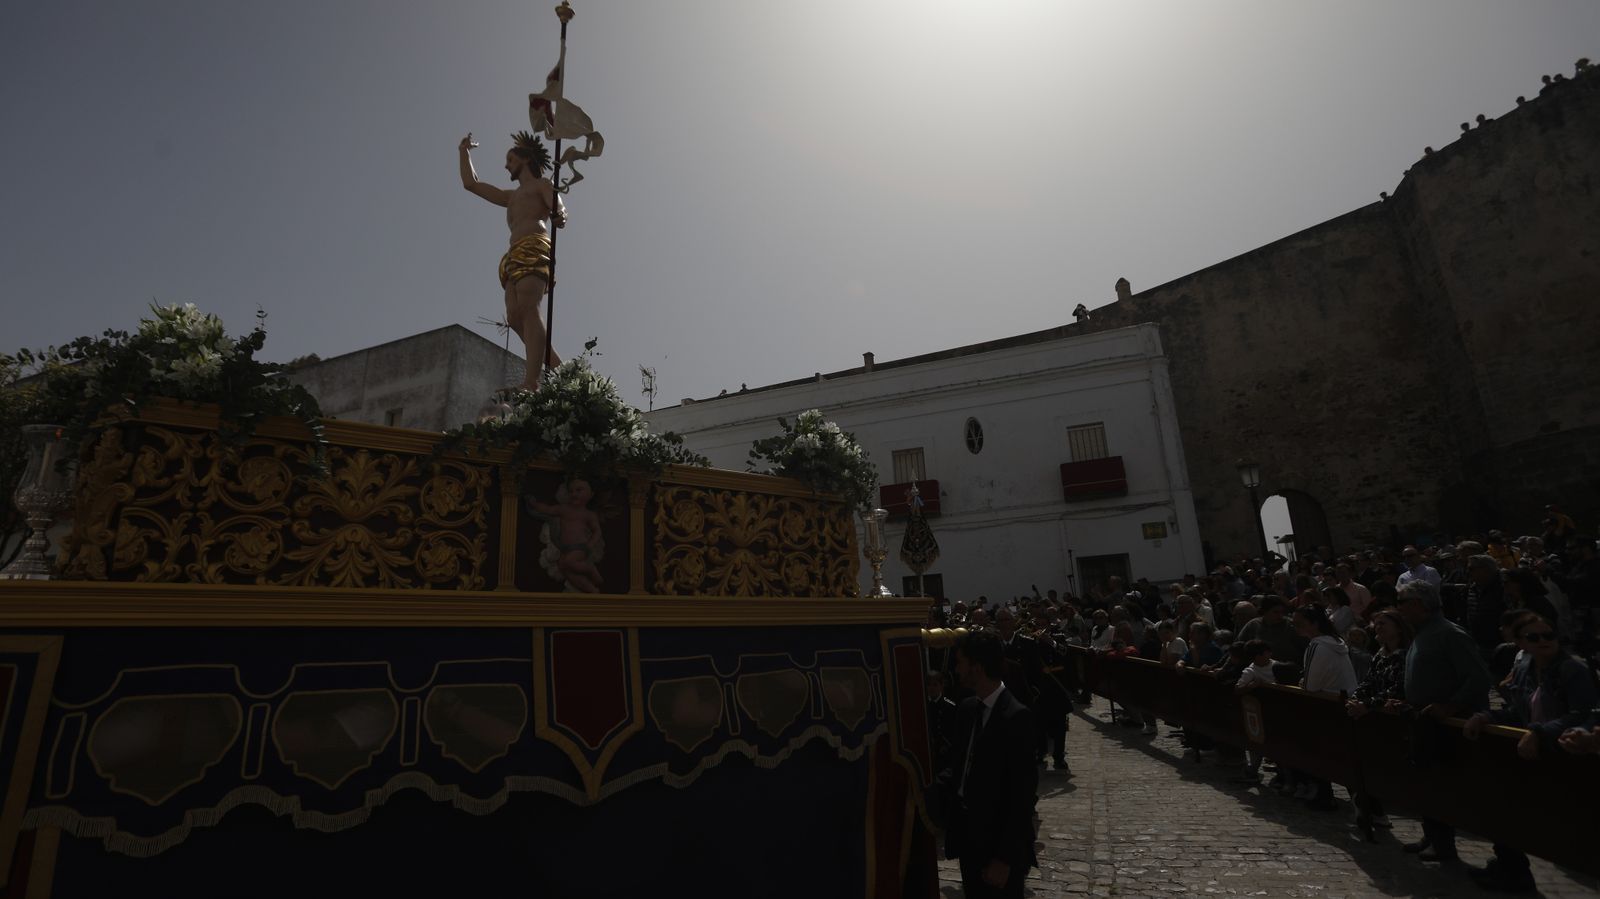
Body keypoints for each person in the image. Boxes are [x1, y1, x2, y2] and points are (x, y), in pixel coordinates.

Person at [1462, 611, 1598, 892]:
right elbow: (1518, 710)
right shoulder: (1525, 667)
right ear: (1521, 643)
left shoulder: (1573, 668)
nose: (1543, 641)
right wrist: (1486, 717)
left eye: (1548, 635)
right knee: (1501, 804)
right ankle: (1511, 869)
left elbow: (1583, 713)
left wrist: (1539, 732)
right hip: (1533, 748)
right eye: (1534, 637)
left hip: (1565, 751)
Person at [1391, 580, 1494, 863]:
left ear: (1418, 604)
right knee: (1427, 782)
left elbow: (1478, 677)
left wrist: (1451, 706)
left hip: (1449, 725)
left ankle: (1445, 843)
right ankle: (1434, 836)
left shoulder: (1449, 634)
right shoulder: (1422, 634)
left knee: (1445, 785)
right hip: (1423, 720)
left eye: (1402, 602)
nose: (1398, 608)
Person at [458, 130, 568, 389]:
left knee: (530, 309)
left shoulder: (541, 185)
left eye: (510, 159)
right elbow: (471, 184)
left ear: (524, 159)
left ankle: (531, 381)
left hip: (535, 246)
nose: (506, 164)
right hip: (514, 253)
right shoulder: (510, 196)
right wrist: (463, 152)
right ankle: (559, 368)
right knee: (515, 317)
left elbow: (559, 206)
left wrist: (560, 215)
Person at [939, 630, 1039, 898]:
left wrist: (1004, 858)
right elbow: (959, 768)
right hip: (969, 838)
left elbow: (1021, 796)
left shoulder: (1016, 717)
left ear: (977, 667)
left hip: (998, 846)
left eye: (960, 662)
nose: (956, 670)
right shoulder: (968, 709)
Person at [1345, 609, 1414, 835]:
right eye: (1377, 623)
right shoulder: (1379, 655)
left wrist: (1368, 705)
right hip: (1372, 714)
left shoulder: (1405, 656)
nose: (1378, 627)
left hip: (1393, 717)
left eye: (1384, 623)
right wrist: (1356, 698)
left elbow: (1396, 688)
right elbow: (1369, 681)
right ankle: (1369, 807)